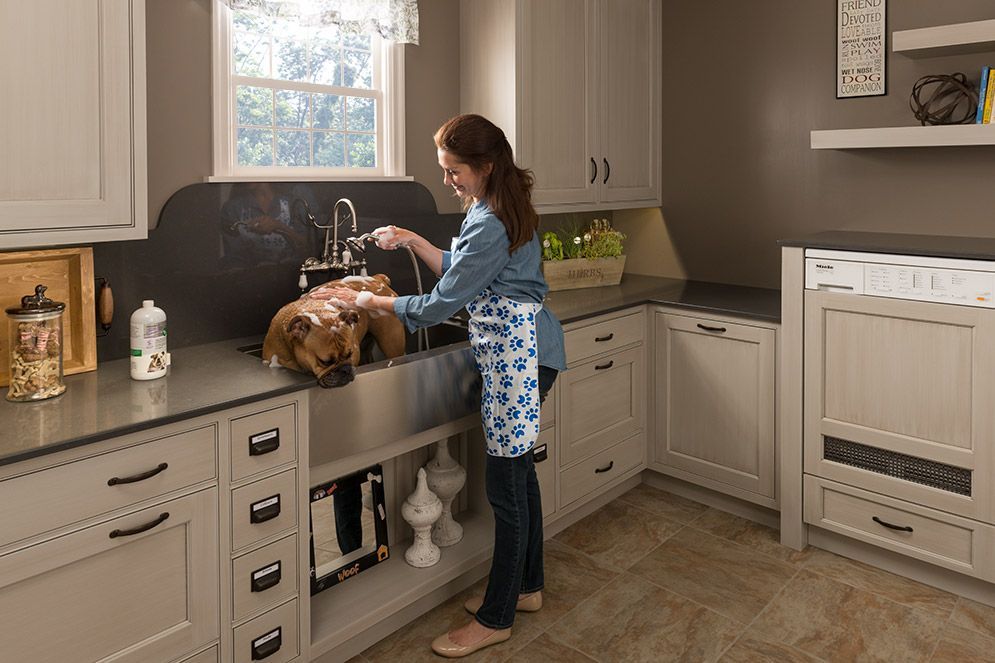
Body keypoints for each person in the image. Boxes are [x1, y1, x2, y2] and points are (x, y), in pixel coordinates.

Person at [311, 113, 566, 657]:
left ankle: (497, 618)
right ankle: (527, 588)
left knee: (506, 492)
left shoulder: (490, 219)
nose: (448, 180)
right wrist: (411, 239)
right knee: (521, 481)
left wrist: (369, 300)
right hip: (522, 354)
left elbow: (436, 305)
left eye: (454, 171)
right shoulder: (497, 204)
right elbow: (465, 268)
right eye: (444, 170)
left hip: (520, 359)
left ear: (485, 166)